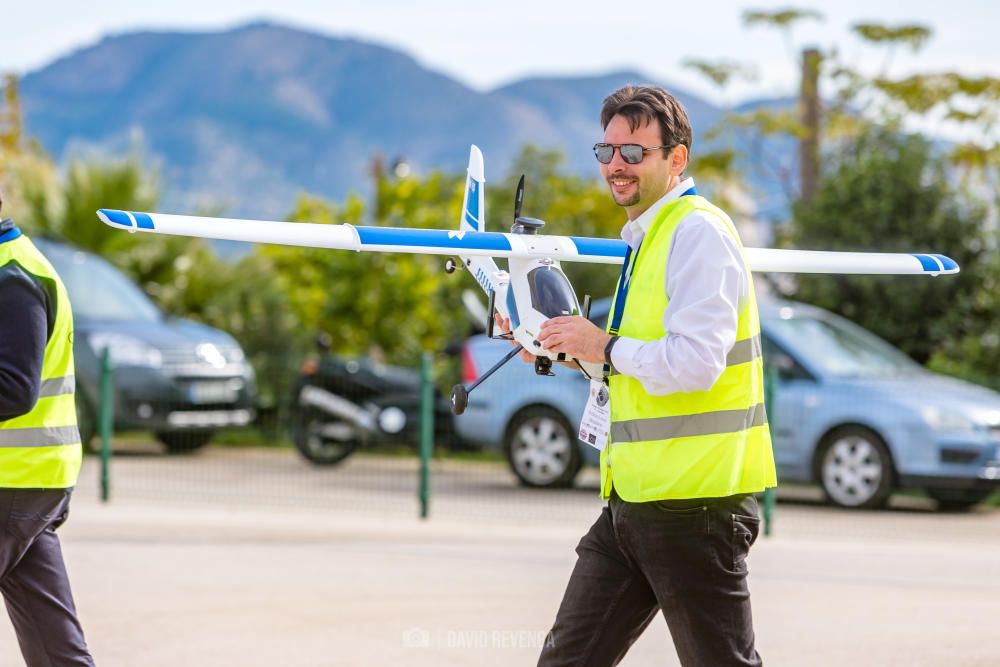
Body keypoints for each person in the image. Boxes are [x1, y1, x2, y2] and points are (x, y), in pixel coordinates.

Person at [501, 85, 777, 666]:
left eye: (634, 153)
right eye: (606, 152)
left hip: (696, 508)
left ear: (676, 159)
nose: (616, 166)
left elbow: (695, 364)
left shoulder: (697, 232)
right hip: (631, 505)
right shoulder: (646, 238)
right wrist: (559, 349)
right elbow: (632, 365)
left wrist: (603, 343)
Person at [0, 191, 95, 666]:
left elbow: (13, 388)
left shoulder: (13, 278)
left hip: (14, 479)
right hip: (26, 481)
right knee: (53, 644)